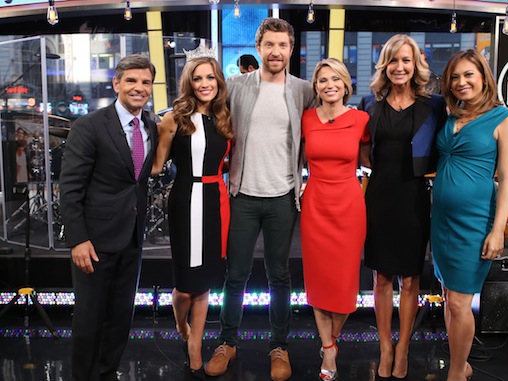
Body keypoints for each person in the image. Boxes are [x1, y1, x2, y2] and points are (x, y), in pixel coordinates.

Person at [204, 17, 316, 381]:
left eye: (283, 45)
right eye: (270, 45)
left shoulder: (303, 90)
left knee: (279, 275)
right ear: (259, 47)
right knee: (235, 275)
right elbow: (208, 113)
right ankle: (227, 342)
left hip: (283, 197)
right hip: (243, 196)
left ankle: (279, 346)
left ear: (291, 49)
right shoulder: (236, 86)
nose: (276, 51)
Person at [59, 54, 157, 381]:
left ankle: (108, 372)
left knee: (120, 318)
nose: (138, 88)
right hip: (95, 242)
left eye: (145, 82)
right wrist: (78, 239)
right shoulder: (89, 125)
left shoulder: (151, 127)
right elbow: (70, 188)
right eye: (131, 81)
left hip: (132, 239)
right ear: (116, 83)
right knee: (89, 319)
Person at [431, 49, 508, 381]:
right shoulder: (451, 116)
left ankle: (457, 372)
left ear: (484, 77)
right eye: (454, 77)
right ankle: (461, 363)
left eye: (468, 74)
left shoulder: (505, 120)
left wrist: (499, 230)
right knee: (447, 296)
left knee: (459, 302)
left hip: (474, 221)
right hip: (441, 221)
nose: (461, 82)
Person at [363, 34, 447, 380]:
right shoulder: (369, 104)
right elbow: (363, 153)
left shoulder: (435, 106)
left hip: (414, 198)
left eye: (406, 61)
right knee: (381, 278)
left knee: (410, 281)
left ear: (416, 66)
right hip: (379, 198)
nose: (400, 67)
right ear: (385, 65)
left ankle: (404, 348)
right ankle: (385, 346)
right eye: (394, 60)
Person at [151, 56, 232, 379]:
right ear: (189, 83)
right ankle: (180, 323)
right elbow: (156, 166)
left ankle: (195, 345)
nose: (204, 84)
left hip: (215, 200)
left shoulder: (224, 119)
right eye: (198, 79)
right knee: (185, 287)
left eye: (210, 78)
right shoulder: (174, 120)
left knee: (205, 283)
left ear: (218, 82)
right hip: (184, 199)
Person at [300, 57, 371, 381]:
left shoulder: (361, 120)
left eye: (335, 79)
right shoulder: (306, 119)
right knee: (318, 283)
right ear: (315, 86)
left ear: (346, 84)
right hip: (316, 203)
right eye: (322, 80)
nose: (329, 85)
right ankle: (328, 347)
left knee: (343, 287)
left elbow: (370, 161)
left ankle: (333, 340)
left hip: (348, 205)